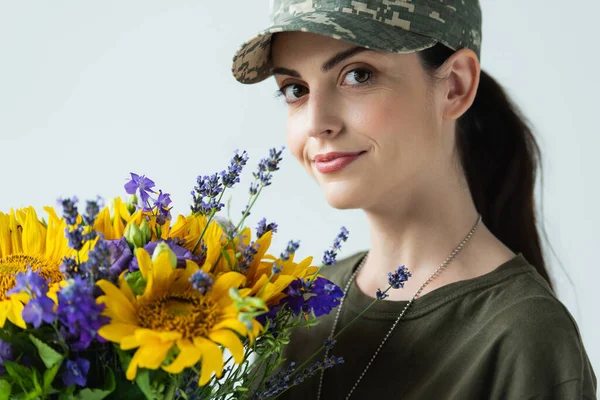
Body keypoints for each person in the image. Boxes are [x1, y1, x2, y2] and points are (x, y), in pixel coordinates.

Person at [231, 1, 597, 398]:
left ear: (455, 86)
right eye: (295, 90)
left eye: (357, 75)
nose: (317, 122)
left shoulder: (521, 337)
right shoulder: (302, 305)